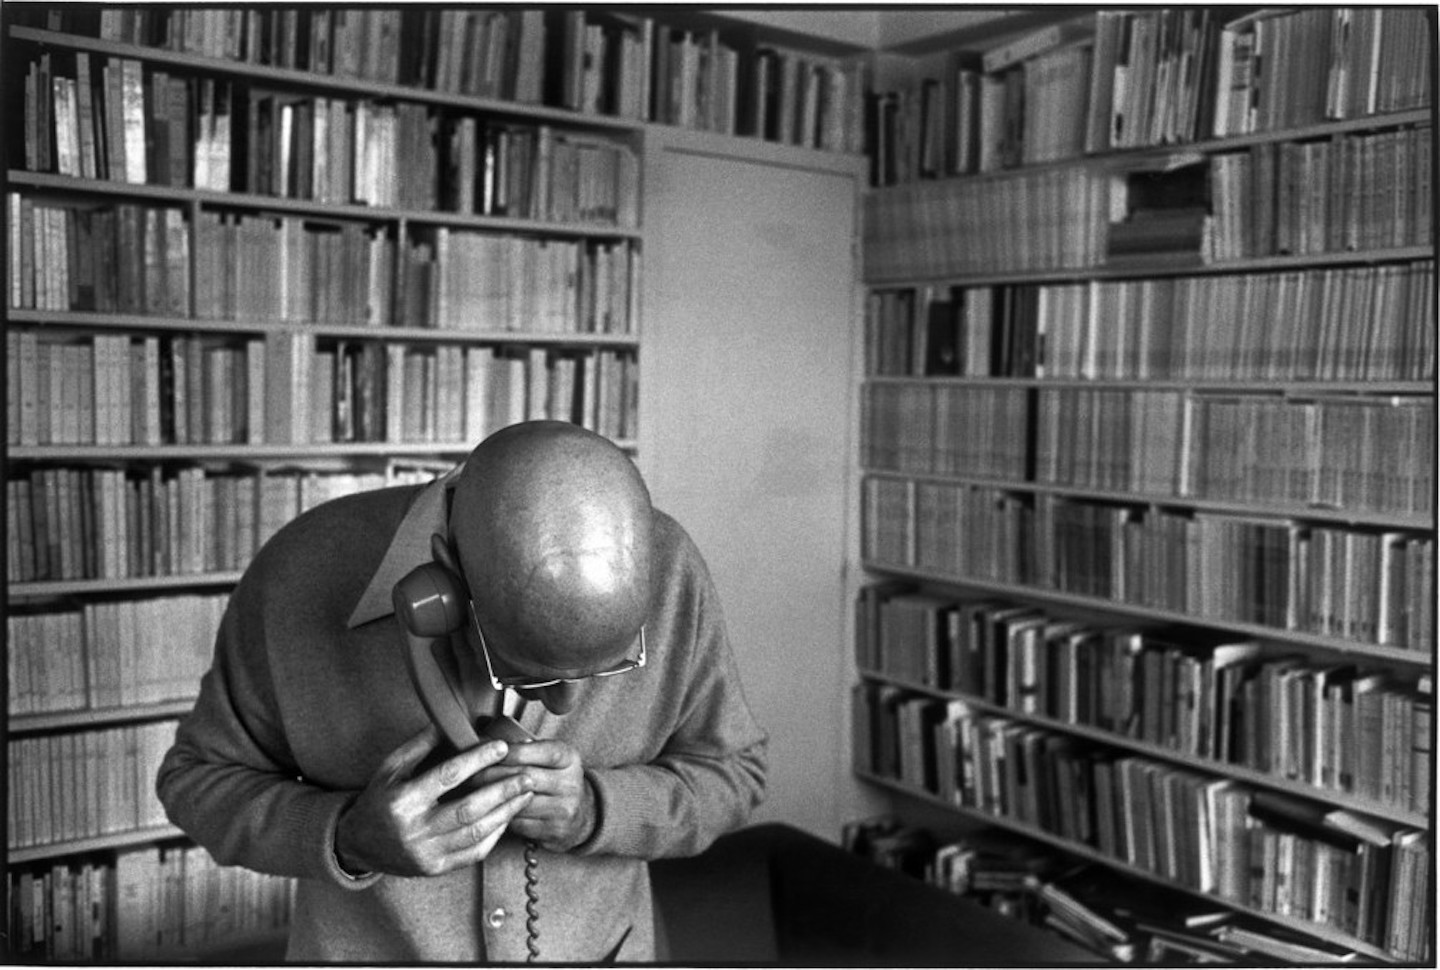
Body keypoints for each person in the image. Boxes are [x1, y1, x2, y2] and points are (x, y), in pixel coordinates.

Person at [156, 420, 768, 962]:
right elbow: (196, 780)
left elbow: (735, 774)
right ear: (442, 582)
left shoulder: (672, 570)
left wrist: (596, 810)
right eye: (525, 671)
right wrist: (346, 836)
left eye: (601, 670)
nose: (566, 708)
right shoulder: (296, 575)